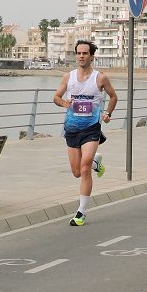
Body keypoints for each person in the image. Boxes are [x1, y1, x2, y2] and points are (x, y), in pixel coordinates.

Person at [53, 39, 117, 226]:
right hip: (72, 128)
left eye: (85, 53)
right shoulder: (68, 77)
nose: (81, 56)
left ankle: (81, 212)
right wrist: (65, 103)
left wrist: (107, 113)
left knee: (84, 167)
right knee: (76, 172)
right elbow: (56, 97)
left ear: (91, 56)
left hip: (91, 128)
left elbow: (113, 96)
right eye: (78, 53)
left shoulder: (100, 78)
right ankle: (96, 162)